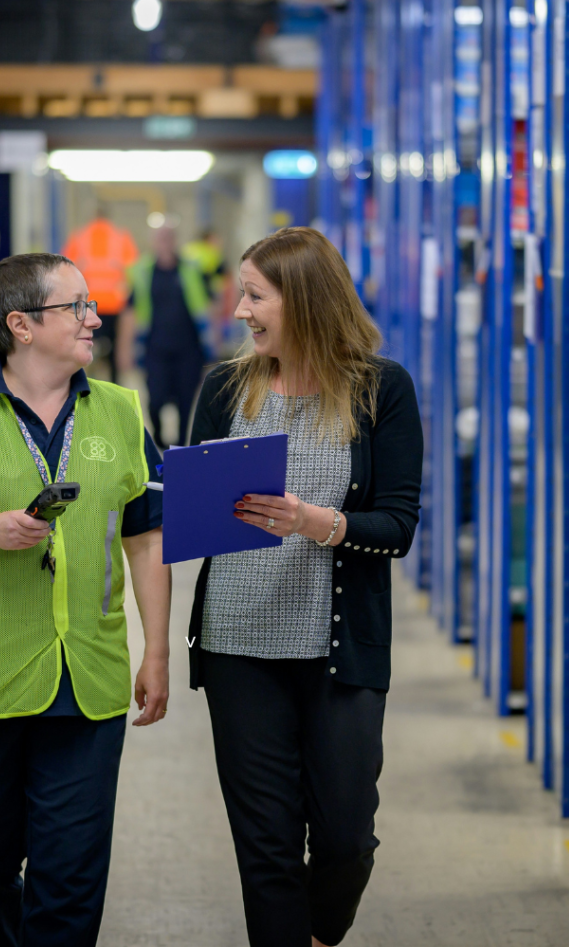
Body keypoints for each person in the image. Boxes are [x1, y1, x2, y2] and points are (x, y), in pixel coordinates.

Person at [0, 252, 171, 947]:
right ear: (21, 324)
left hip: (89, 680)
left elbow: (145, 538)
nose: (93, 316)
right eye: (75, 306)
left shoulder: (118, 411)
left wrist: (158, 650)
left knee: (70, 876)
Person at [186, 227, 423, 947]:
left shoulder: (383, 389)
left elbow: (398, 526)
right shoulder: (225, 387)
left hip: (338, 653)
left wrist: (314, 521)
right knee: (267, 847)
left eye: (255, 296)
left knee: (348, 838)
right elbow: (195, 518)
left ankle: (320, 935)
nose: (239, 311)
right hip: (238, 647)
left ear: (307, 300)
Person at [119, 225, 213, 448]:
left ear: (175, 240)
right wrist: (124, 349)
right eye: (160, 238)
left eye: (168, 237)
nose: (164, 242)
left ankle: (180, 447)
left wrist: (214, 343)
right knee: (155, 399)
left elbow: (209, 307)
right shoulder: (142, 271)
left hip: (189, 348)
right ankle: (160, 437)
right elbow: (130, 313)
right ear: (153, 241)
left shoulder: (191, 269)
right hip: (155, 349)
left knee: (186, 401)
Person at [62, 207, 140, 383]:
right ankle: (112, 384)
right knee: (113, 350)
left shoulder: (79, 237)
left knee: (85, 346)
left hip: (87, 304)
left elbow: (66, 269)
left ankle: (85, 384)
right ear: (108, 218)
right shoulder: (121, 237)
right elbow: (133, 270)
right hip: (115, 303)